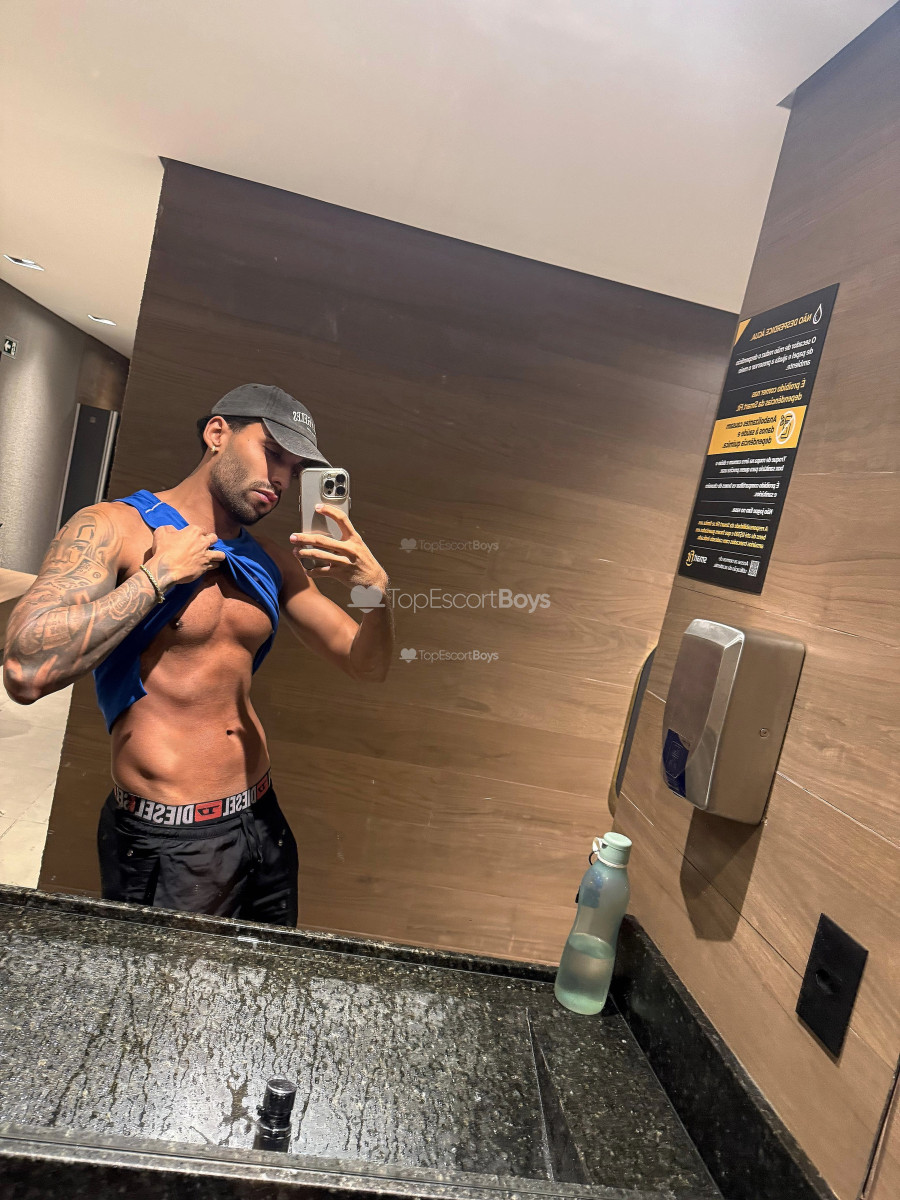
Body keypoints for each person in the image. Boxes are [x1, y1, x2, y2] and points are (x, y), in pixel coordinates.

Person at [2, 383, 394, 926]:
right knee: (165, 985)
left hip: (261, 818)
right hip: (167, 837)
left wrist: (376, 594)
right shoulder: (114, 528)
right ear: (217, 433)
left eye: (294, 468)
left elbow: (366, 665)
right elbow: (23, 669)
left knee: (268, 973)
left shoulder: (271, 561)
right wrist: (157, 577)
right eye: (272, 453)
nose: (281, 479)